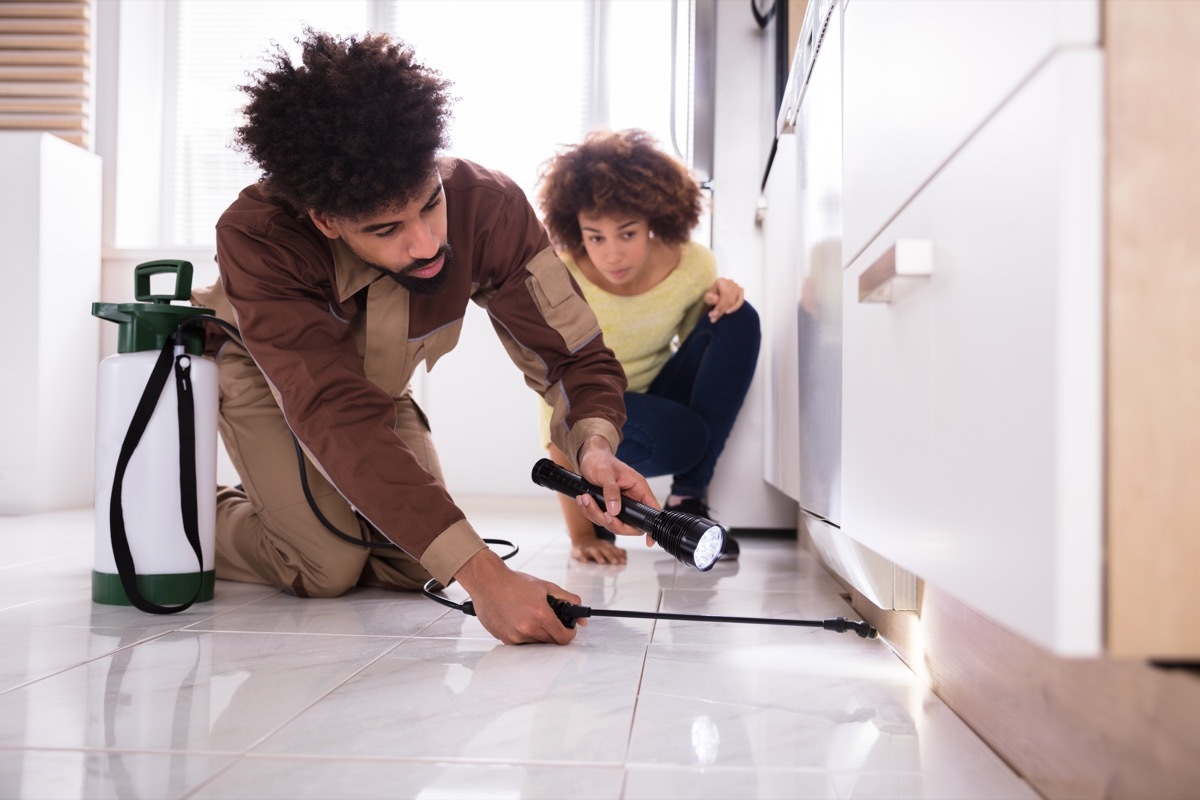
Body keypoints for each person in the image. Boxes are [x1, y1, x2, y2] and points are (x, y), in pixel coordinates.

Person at [190, 29, 659, 645]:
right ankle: (185, 517)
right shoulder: (258, 237)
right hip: (264, 374)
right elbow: (333, 411)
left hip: (374, 390)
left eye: (429, 204)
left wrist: (593, 445)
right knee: (327, 567)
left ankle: (325, 519)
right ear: (326, 222)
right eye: (386, 228)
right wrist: (488, 580)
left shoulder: (489, 207)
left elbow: (572, 354)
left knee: (421, 562)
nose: (427, 244)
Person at [534, 129, 761, 565]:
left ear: (653, 220)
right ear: (574, 228)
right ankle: (602, 502)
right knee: (687, 432)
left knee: (740, 317)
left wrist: (724, 298)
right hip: (594, 417)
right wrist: (582, 536)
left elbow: (710, 350)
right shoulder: (558, 277)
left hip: (657, 399)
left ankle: (687, 504)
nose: (612, 255)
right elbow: (556, 404)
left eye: (627, 233)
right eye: (594, 237)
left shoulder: (693, 262)